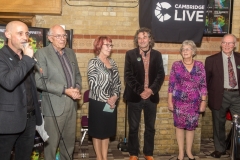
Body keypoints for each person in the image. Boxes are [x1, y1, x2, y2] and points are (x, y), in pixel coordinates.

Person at [34, 25, 82, 160]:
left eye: (64, 35)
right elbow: (40, 81)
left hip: (71, 105)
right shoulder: (42, 53)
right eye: (58, 36)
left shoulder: (70, 53)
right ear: (50, 38)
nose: (63, 39)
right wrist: (64, 90)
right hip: (54, 107)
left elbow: (77, 75)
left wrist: (77, 88)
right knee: (51, 147)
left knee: (69, 144)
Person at [0, 21, 42, 160]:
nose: (25, 37)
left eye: (27, 33)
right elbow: (8, 82)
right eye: (20, 33)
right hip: (8, 122)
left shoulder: (25, 57)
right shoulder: (2, 57)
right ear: (7, 34)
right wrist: (27, 59)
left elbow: (30, 88)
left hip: (29, 120)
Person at [123, 27, 165, 160]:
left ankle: (148, 153)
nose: (142, 40)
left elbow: (160, 75)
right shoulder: (130, 54)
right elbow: (128, 76)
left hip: (151, 97)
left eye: (144, 37)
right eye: (139, 38)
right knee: (134, 127)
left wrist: (151, 90)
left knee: (150, 127)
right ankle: (133, 153)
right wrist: (142, 91)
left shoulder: (157, 55)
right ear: (137, 40)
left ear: (150, 39)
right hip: (135, 97)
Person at [168, 40, 207, 160]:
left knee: (191, 127)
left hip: (194, 102)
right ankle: (180, 153)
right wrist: (169, 101)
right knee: (179, 127)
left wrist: (204, 101)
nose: (185, 51)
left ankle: (189, 152)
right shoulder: (176, 65)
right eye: (183, 49)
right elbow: (171, 84)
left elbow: (203, 85)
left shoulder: (200, 65)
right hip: (179, 102)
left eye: (188, 49)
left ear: (193, 51)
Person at [205, 34, 240, 158]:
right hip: (220, 95)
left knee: (238, 124)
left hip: (237, 95)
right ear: (221, 44)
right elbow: (206, 81)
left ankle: (234, 145)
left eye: (230, 43)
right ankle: (220, 149)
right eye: (224, 42)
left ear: (234, 45)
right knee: (218, 123)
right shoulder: (211, 60)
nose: (227, 45)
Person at [87, 36, 121, 160]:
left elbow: (118, 82)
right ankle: (99, 157)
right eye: (107, 45)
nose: (109, 48)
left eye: (111, 45)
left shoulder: (112, 62)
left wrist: (115, 97)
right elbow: (93, 84)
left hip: (111, 103)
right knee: (97, 132)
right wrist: (108, 98)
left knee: (106, 132)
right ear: (99, 46)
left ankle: (105, 157)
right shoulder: (93, 62)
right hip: (98, 102)